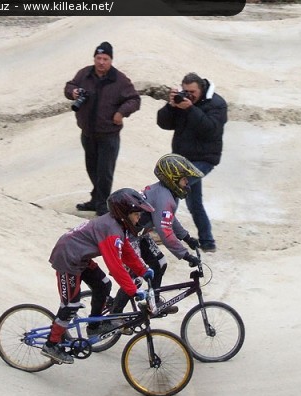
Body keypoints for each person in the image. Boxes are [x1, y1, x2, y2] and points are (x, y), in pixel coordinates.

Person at [43, 188, 155, 364]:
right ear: (125, 213)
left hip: (81, 257)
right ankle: (51, 344)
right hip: (67, 258)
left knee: (103, 285)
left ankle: (94, 327)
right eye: (136, 213)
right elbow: (115, 266)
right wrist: (133, 290)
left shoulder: (118, 226)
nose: (139, 217)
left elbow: (126, 251)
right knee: (70, 304)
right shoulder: (111, 231)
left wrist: (143, 270)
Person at [111, 154, 203, 314]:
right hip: (126, 237)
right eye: (184, 179)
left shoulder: (166, 193)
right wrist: (185, 255)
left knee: (159, 263)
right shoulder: (164, 197)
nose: (187, 183)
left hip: (139, 235)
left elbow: (169, 219)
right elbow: (164, 232)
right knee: (136, 278)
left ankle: (153, 301)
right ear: (172, 179)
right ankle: (114, 314)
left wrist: (186, 237)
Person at [65, 41, 141, 217]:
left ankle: (102, 206)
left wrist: (121, 112)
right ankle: (96, 199)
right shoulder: (84, 74)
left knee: (104, 172)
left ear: (111, 60)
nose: (101, 62)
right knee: (92, 168)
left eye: (105, 59)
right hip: (87, 133)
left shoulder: (120, 80)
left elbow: (135, 100)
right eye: (98, 58)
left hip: (109, 134)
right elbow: (69, 86)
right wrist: (74, 92)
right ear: (94, 58)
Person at [156, 72, 227, 252]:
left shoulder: (217, 104)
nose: (189, 95)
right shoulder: (182, 102)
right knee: (194, 203)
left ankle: (162, 229)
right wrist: (171, 106)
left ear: (201, 89)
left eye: (192, 92)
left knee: (173, 187)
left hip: (204, 159)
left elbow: (211, 130)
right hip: (182, 158)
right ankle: (208, 242)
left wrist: (190, 109)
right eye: (185, 91)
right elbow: (163, 123)